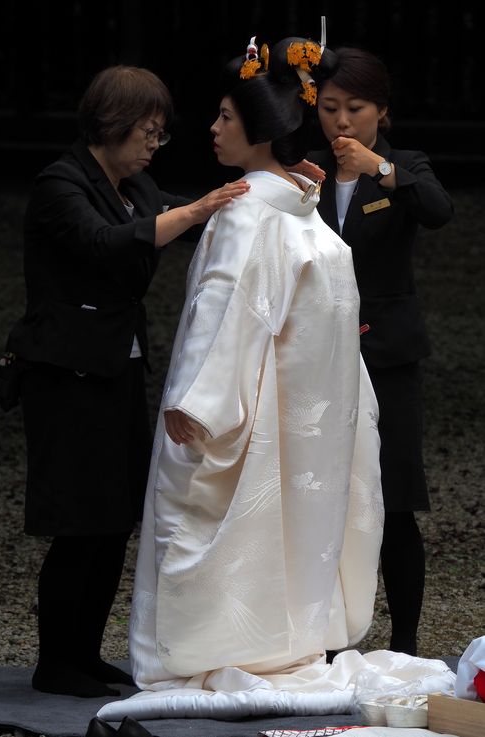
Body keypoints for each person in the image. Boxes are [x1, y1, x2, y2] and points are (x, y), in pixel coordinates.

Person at [96, 36, 390, 722]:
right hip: (298, 394)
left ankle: (206, 644)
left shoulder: (247, 207)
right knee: (289, 516)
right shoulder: (295, 199)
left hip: (248, 388)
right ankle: (285, 635)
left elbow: (227, 310)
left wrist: (198, 397)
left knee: (213, 513)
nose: (213, 128)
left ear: (259, 131)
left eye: (226, 117)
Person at [1, 64, 249, 698]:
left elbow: (174, 215)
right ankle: (56, 659)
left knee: (114, 517)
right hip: (66, 374)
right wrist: (197, 209)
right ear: (112, 124)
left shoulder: (132, 185)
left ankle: (85, 654)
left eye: (160, 135)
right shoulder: (62, 183)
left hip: (117, 366)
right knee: (78, 521)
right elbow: (106, 243)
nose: (152, 145)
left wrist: (261, 189)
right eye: (147, 131)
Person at [308, 46, 454, 656]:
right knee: (322, 499)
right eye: (330, 107)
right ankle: (326, 640)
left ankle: (406, 641)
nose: (342, 122)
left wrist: (379, 169)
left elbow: (439, 210)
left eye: (356, 108)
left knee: (394, 500)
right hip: (317, 354)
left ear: (381, 111)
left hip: (388, 354)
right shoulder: (305, 168)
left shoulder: (405, 165)